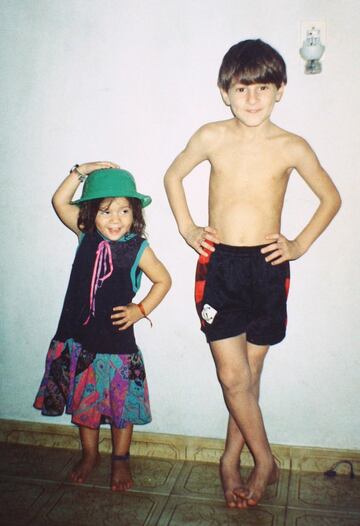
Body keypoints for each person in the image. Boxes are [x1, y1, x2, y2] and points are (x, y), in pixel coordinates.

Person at [164, 39, 341, 508]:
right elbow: (173, 176)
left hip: (266, 268)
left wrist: (298, 244)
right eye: (242, 88)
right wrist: (186, 227)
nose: (252, 98)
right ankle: (263, 460)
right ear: (226, 91)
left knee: (249, 374)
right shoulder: (211, 136)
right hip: (219, 265)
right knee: (232, 375)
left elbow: (331, 198)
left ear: (280, 89)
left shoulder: (291, 146)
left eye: (263, 87)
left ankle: (230, 457)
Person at [34, 162, 171, 491]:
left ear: (134, 214)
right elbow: (59, 201)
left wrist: (141, 309)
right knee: (85, 406)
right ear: (90, 214)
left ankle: (120, 459)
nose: (115, 219)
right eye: (106, 211)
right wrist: (83, 170)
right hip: (80, 341)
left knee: (121, 407)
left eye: (124, 211)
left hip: (118, 344)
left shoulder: (138, 247)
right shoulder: (85, 236)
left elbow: (164, 280)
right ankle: (90, 454)